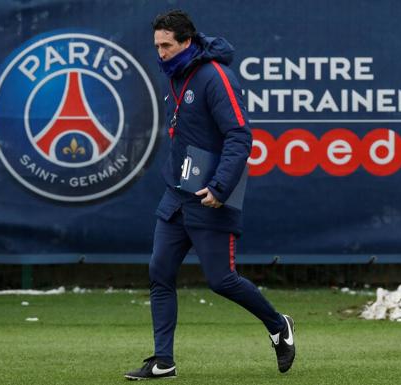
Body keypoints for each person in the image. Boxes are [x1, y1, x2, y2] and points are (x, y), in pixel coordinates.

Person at [124, 10, 295, 380]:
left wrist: (220, 186)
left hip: (210, 195)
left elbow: (239, 135)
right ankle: (163, 361)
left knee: (221, 280)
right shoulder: (177, 75)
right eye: (156, 46)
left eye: (167, 45)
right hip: (177, 195)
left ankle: (278, 324)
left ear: (187, 41)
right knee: (160, 272)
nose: (161, 53)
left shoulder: (215, 77)